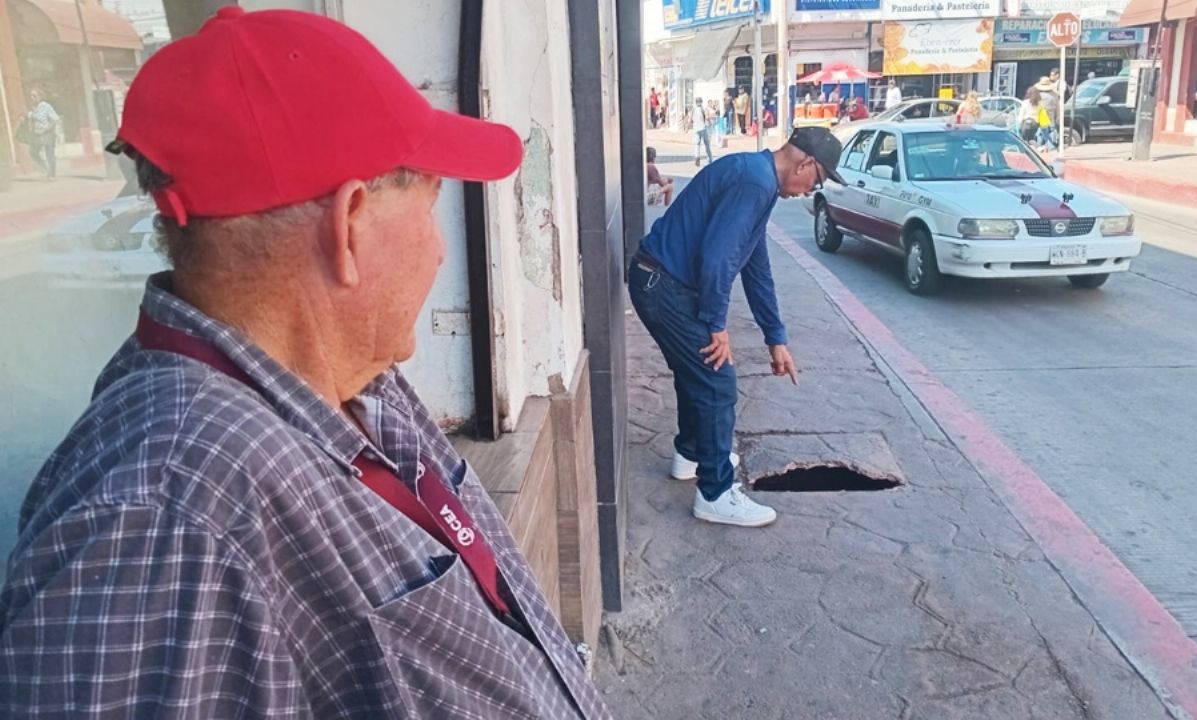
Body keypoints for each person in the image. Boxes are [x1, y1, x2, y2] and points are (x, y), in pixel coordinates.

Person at [0, 8, 612, 719]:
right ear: (349, 227)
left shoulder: (345, 383)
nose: (441, 250)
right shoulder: (164, 518)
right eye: (429, 205)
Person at [629, 127, 845, 528]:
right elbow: (719, 259)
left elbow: (755, 265)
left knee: (698, 373)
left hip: (660, 280)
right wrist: (716, 324)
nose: (808, 191)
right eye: (816, 180)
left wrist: (775, 336)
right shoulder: (754, 181)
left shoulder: (759, 179)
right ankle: (715, 493)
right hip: (663, 285)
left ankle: (693, 453)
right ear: (806, 163)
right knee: (717, 381)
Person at [22, 89, 59, 179]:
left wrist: (45, 129)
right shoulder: (33, 108)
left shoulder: (46, 106)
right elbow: (31, 117)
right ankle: (46, 169)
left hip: (47, 134)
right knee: (33, 152)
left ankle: (52, 174)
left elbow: (55, 120)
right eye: (31, 96)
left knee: (49, 153)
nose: (32, 98)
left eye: (34, 96)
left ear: (40, 96)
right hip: (37, 134)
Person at [692, 97, 713, 167]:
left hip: (696, 129)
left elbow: (690, 119)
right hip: (703, 128)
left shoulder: (693, 109)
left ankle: (697, 157)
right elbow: (707, 117)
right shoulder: (704, 109)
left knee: (697, 144)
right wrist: (710, 121)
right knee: (707, 144)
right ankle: (709, 159)